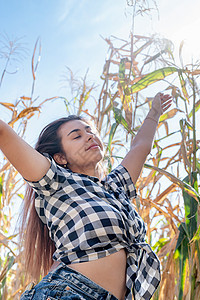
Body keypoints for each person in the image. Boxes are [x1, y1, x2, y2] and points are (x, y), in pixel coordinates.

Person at [0, 92, 172, 300]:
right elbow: (2, 132)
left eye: (90, 131)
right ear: (60, 157)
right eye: (77, 135)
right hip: (68, 293)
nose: (90, 136)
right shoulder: (55, 182)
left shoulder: (115, 187)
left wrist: (154, 113)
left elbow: (140, 148)